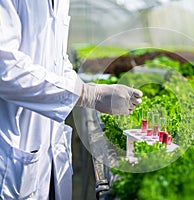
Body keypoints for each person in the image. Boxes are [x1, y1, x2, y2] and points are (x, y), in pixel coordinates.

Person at [0, 1, 142, 199]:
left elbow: (57, 60)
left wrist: (88, 89)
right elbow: (6, 69)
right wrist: (88, 95)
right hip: (12, 146)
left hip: (47, 154)